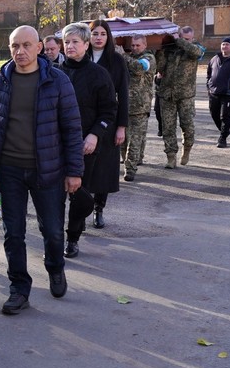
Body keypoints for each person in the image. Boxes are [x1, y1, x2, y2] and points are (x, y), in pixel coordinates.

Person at [0, 26, 83, 314]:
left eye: (26, 45)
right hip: (9, 169)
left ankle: (55, 267)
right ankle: (19, 288)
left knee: (53, 231)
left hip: (48, 171)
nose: (19, 51)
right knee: (14, 233)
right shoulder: (1, 81)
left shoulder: (57, 81)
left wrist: (74, 171)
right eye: (14, 46)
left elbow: (72, 129)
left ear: (39, 48)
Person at [60, 22, 118, 258]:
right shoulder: (55, 73)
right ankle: (53, 239)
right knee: (54, 198)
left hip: (86, 145)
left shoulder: (99, 75)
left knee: (79, 196)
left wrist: (95, 134)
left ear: (86, 44)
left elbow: (109, 110)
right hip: (55, 145)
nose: (70, 46)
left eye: (75, 42)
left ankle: (72, 238)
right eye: (67, 42)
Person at [87, 19, 128, 229]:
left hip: (107, 121)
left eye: (103, 34)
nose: (98, 38)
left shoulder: (116, 61)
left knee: (103, 169)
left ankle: (98, 209)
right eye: (95, 34)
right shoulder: (80, 56)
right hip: (83, 121)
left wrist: (121, 126)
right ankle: (80, 210)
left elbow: (123, 95)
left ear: (108, 37)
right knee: (82, 168)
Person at [155, 26, 205, 167]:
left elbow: (197, 52)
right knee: (168, 128)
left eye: (188, 39)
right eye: (183, 38)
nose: (186, 42)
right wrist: (161, 50)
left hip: (185, 95)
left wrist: (180, 42)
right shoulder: (169, 50)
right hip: (167, 94)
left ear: (192, 38)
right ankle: (171, 157)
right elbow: (159, 67)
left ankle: (187, 149)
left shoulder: (195, 48)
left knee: (187, 126)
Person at [121, 34, 155, 181]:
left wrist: (122, 55)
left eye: (138, 45)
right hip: (123, 105)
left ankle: (130, 169)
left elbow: (139, 68)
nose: (134, 48)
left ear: (144, 45)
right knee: (123, 140)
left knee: (134, 140)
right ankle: (129, 161)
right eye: (132, 45)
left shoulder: (149, 58)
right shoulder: (128, 57)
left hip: (140, 107)